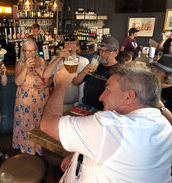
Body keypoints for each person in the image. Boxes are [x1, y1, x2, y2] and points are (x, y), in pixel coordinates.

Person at [40, 62, 172, 183]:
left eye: (108, 90)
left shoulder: (111, 127)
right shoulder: (164, 125)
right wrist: (78, 154)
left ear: (129, 97)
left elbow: (47, 124)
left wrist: (62, 84)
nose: (101, 97)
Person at [13, 38, 51, 155]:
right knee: (26, 127)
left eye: (33, 50)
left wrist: (45, 86)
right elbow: (18, 82)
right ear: (23, 52)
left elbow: (50, 79)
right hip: (25, 105)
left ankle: (39, 148)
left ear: (36, 50)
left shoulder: (42, 61)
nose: (30, 54)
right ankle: (28, 150)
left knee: (39, 126)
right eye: (27, 51)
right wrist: (25, 68)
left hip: (41, 103)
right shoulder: (19, 64)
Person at [43, 35, 89, 111]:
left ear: (77, 47)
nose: (69, 45)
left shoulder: (84, 61)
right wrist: (58, 57)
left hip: (76, 104)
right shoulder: (56, 59)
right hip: (58, 104)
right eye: (66, 43)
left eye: (72, 43)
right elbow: (45, 75)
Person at [73, 36, 118, 110]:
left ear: (116, 53)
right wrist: (84, 71)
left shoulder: (118, 71)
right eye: (101, 50)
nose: (102, 54)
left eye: (107, 51)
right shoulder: (95, 64)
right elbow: (75, 82)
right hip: (87, 109)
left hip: (103, 113)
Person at [149, 54, 172, 124]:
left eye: (158, 72)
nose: (153, 73)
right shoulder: (152, 83)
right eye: (153, 69)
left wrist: (161, 107)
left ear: (168, 77)